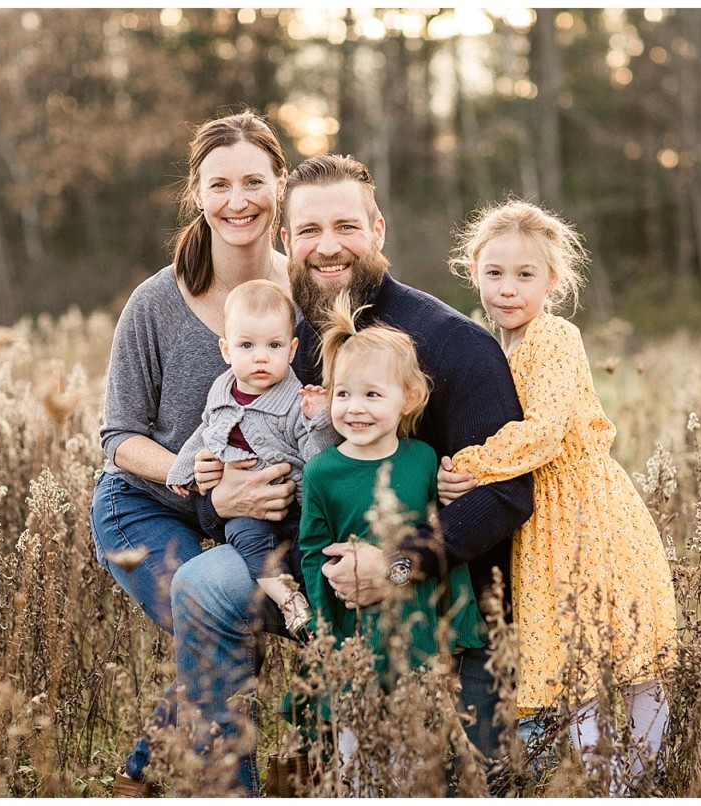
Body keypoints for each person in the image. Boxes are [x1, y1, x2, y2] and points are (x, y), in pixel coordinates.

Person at [173, 154, 533, 795]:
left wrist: (396, 565)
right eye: (309, 230)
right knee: (203, 581)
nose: (327, 246)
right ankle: (226, 782)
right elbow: (245, 462)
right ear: (286, 241)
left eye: (347, 226)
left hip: (448, 607)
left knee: (461, 784)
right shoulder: (283, 349)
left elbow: (507, 498)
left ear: (379, 232)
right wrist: (217, 497)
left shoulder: (453, 346)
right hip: (321, 587)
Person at [89, 110, 292, 797]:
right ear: (198, 195)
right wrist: (204, 489)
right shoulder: (155, 303)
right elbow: (118, 438)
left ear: (280, 186)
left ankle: (140, 776)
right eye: (220, 185)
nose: (239, 201)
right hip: (145, 507)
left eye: (254, 182)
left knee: (227, 626)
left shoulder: (308, 299)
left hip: (252, 522)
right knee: (218, 631)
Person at [441, 199, 679, 789]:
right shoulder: (498, 346)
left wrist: (474, 463)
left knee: (623, 659)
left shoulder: (553, 334)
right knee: (575, 661)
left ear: (553, 281)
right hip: (544, 524)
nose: (508, 289)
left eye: (525, 275)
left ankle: (636, 782)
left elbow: (545, 430)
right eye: (494, 273)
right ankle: (609, 783)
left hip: (585, 512)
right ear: (474, 273)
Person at [298, 296, 484, 769]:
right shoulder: (322, 471)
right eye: (343, 394)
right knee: (353, 751)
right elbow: (312, 551)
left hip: (416, 628)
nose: (355, 409)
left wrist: (459, 623)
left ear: (410, 398)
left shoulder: (422, 460)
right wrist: (322, 627)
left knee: (411, 753)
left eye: (372, 395)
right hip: (352, 630)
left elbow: (442, 541)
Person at [166, 279, 337, 635]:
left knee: (312, 551)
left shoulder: (296, 401)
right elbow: (205, 431)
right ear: (227, 351)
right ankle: (287, 599)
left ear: (292, 351)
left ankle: (324, 622)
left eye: (273, 345)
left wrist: (318, 420)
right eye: (247, 345)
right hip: (245, 510)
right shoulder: (222, 390)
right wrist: (182, 469)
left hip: (296, 507)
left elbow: (319, 459)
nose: (261, 356)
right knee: (244, 533)